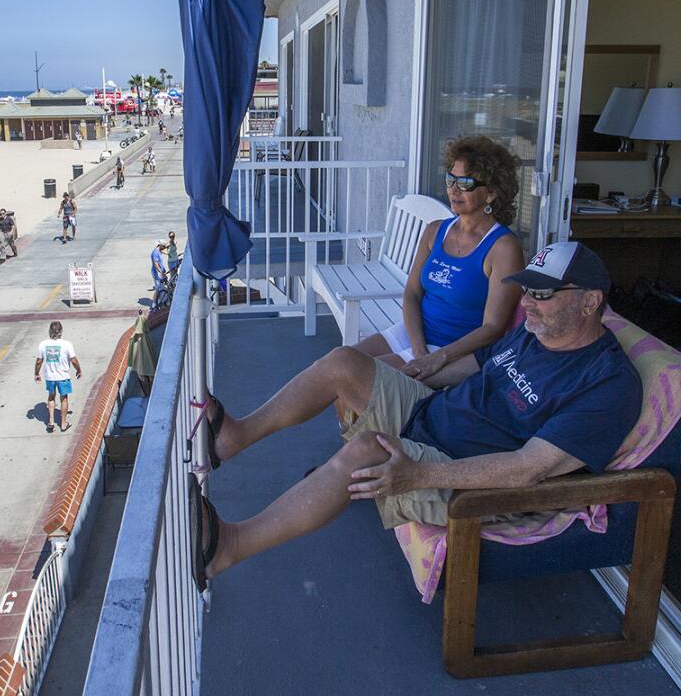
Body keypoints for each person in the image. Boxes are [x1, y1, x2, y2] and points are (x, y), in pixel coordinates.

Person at [187, 242, 641, 589]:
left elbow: (529, 469)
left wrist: (418, 475)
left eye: (542, 293)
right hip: (432, 414)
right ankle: (233, 437)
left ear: (589, 300)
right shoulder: (535, 333)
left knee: (367, 452)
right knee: (345, 362)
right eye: (526, 290)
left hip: (460, 475)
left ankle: (229, 547)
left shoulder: (607, 385)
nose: (527, 304)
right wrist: (426, 367)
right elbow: (480, 366)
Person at [353, 136, 524, 385]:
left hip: (453, 349)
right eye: (450, 179)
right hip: (415, 336)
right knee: (340, 360)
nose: (453, 189)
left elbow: (493, 327)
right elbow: (412, 292)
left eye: (465, 183)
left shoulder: (503, 248)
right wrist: (418, 350)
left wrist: (437, 357)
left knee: (356, 378)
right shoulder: (435, 231)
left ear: (491, 193)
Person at [34, 321, 82, 433]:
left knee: (51, 397)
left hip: (50, 377)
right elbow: (73, 360)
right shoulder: (67, 344)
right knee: (63, 398)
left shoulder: (43, 344)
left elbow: (39, 361)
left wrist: (36, 373)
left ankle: (51, 421)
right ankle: (63, 423)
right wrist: (78, 370)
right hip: (63, 376)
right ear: (61, 331)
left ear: (50, 331)